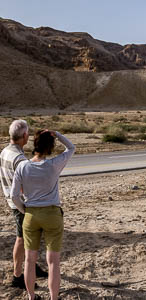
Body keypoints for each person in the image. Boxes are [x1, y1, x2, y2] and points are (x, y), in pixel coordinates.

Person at [11, 129, 69, 299]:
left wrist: (25, 210)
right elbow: (71, 148)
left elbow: (14, 196)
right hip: (52, 215)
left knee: (29, 260)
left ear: (33, 144)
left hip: (30, 216)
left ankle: (31, 296)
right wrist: (57, 134)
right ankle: (53, 297)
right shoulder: (53, 164)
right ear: (49, 147)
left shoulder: (22, 166)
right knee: (53, 262)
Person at [0, 120, 25, 290]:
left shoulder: (4, 151)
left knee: (26, 239)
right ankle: (17, 276)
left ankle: (29, 265)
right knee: (21, 238)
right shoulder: (20, 158)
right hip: (20, 204)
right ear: (25, 136)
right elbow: (24, 187)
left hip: (10, 199)